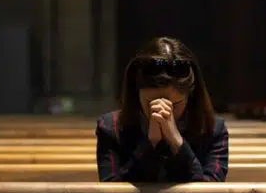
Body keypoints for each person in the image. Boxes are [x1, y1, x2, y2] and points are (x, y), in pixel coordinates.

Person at [96, 37, 228, 182]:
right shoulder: (110, 127)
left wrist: (177, 143)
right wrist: (151, 144)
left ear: (190, 96)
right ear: (136, 93)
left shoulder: (213, 129)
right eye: (150, 103)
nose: (161, 112)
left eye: (174, 105)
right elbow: (112, 192)